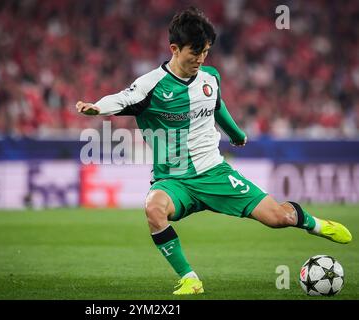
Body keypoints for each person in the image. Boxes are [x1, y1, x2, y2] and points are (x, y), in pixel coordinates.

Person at [75, 7, 352, 295]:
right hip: (174, 180)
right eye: (194, 52)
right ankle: (190, 278)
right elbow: (121, 99)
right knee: (153, 207)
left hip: (214, 173)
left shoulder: (210, 77)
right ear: (174, 48)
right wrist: (96, 107)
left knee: (278, 219)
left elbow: (217, 106)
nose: (200, 58)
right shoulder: (151, 85)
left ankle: (316, 224)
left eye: (205, 51)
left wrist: (236, 134)